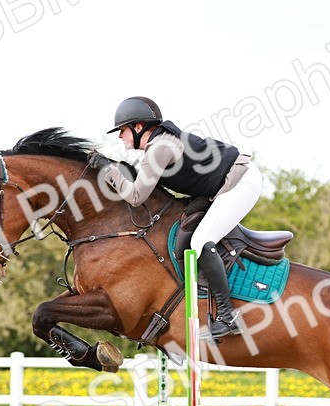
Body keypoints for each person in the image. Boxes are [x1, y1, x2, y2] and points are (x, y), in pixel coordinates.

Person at [95, 96, 262, 341]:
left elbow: (136, 196)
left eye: (122, 130)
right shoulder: (158, 144)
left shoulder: (159, 148)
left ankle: (228, 317)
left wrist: (108, 171)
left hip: (241, 183)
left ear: (138, 127)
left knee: (201, 241)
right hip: (222, 185)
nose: (120, 136)